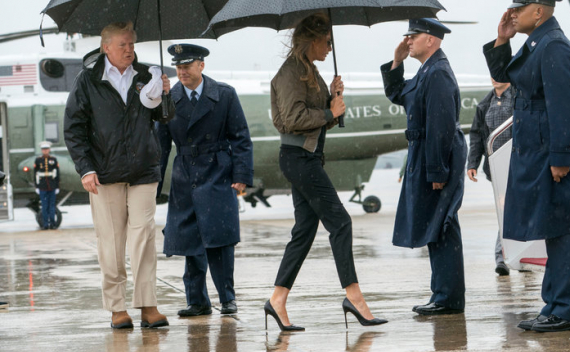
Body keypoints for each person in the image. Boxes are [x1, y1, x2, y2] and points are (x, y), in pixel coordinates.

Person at [484, 0, 570, 332]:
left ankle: (568, 310)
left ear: (539, 11)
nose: (513, 12)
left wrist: (561, 158)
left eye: (520, 6)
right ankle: (555, 305)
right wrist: (503, 40)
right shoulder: (538, 42)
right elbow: (507, 76)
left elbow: (567, 106)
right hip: (536, 147)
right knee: (552, 229)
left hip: (548, 150)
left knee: (561, 230)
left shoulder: (554, 45)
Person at [266, 13, 387, 331]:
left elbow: (317, 116)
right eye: (327, 41)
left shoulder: (308, 71)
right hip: (298, 159)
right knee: (341, 223)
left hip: (306, 158)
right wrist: (328, 110)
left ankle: (277, 300)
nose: (330, 48)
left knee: (304, 232)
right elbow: (292, 119)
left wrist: (332, 99)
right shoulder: (291, 72)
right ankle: (354, 297)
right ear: (312, 40)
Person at [64, 22, 175, 329]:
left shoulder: (145, 76)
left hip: (143, 170)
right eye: (123, 45)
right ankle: (117, 308)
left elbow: (164, 118)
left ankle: (148, 305)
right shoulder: (87, 81)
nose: (129, 50)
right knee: (111, 244)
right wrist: (85, 168)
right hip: (104, 174)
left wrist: (164, 95)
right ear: (106, 48)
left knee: (144, 238)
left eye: (132, 44)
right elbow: (73, 129)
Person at [157, 43, 254, 317]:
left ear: (201, 65)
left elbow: (241, 138)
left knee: (220, 240)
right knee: (191, 241)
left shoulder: (224, 94)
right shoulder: (167, 98)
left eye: (187, 65)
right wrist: (153, 183)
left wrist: (241, 175)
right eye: (178, 67)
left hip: (218, 172)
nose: (181, 71)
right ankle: (197, 301)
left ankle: (227, 299)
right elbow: (160, 146)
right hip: (184, 175)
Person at [381, 18, 467, 315]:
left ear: (431, 39)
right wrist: (396, 61)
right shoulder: (426, 71)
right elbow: (398, 95)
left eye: (413, 36)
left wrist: (437, 171)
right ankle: (443, 295)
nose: (408, 40)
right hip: (427, 152)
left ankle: (448, 298)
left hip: (436, 153)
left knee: (441, 226)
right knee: (436, 226)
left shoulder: (438, 73)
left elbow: (441, 127)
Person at [466, 79, 514, 276]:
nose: (495, 78)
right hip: (496, 168)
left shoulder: (520, 97)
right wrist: (472, 163)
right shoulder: (485, 104)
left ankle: (518, 252)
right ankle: (502, 257)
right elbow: (476, 135)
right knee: (505, 212)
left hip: (521, 164)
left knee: (520, 209)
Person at [34, 141, 60, 230]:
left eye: (46, 149)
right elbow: (35, 173)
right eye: (43, 149)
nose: (45, 151)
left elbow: (57, 174)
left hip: (52, 186)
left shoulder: (53, 159)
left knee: (52, 206)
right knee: (44, 207)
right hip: (42, 186)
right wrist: (36, 186)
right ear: (42, 150)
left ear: (49, 150)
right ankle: (45, 225)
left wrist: (57, 186)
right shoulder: (38, 160)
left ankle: (53, 224)